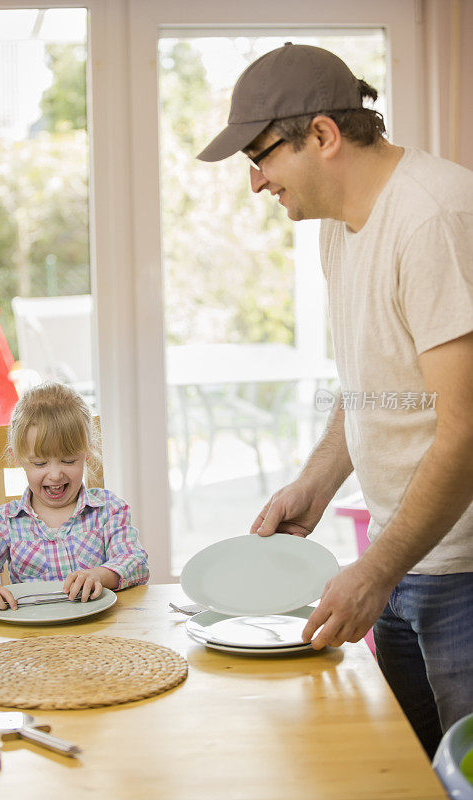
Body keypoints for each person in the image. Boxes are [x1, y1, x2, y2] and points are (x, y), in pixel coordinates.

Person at [197, 43, 473, 758]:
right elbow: (372, 388)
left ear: (321, 136)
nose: (255, 183)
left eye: (260, 157)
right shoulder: (339, 233)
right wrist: (315, 484)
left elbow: (465, 429)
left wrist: (374, 571)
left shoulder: (433, 217)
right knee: (410, 772)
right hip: (403, 562)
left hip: (462, 579)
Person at [0, 381, 149, 610]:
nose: (55, 474)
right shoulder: (8, 521)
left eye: (69, 460)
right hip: (32, 638)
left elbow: (136, 562)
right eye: (40, 463)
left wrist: (100, 575)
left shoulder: (108, 509)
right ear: (19, 459)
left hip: (97, 633)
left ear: (87, 454)